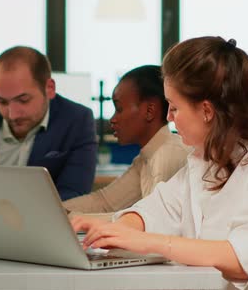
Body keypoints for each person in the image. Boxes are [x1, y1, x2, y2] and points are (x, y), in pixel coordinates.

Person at [72, 36, 248, 290]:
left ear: (206, 111)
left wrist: (146, 242)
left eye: (174, 107)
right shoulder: (201, 162)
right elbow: (154, 211)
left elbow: (241, 259)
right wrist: (115, 229)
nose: (169, 117)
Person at [0, 46, 98, 202]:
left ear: (49, 88)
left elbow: (74, 194)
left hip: (39, 227)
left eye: (23, 100)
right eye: (2, 101)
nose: (12, 114)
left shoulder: (76, 120)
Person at [63, 65, 190, 217]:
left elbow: (151, 223)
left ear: (149, 111)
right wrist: (56, 210)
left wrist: (67, 217)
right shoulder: (146, 157)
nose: (113, 119)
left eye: (119, 109)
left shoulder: (168, 154)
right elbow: (105, 203)